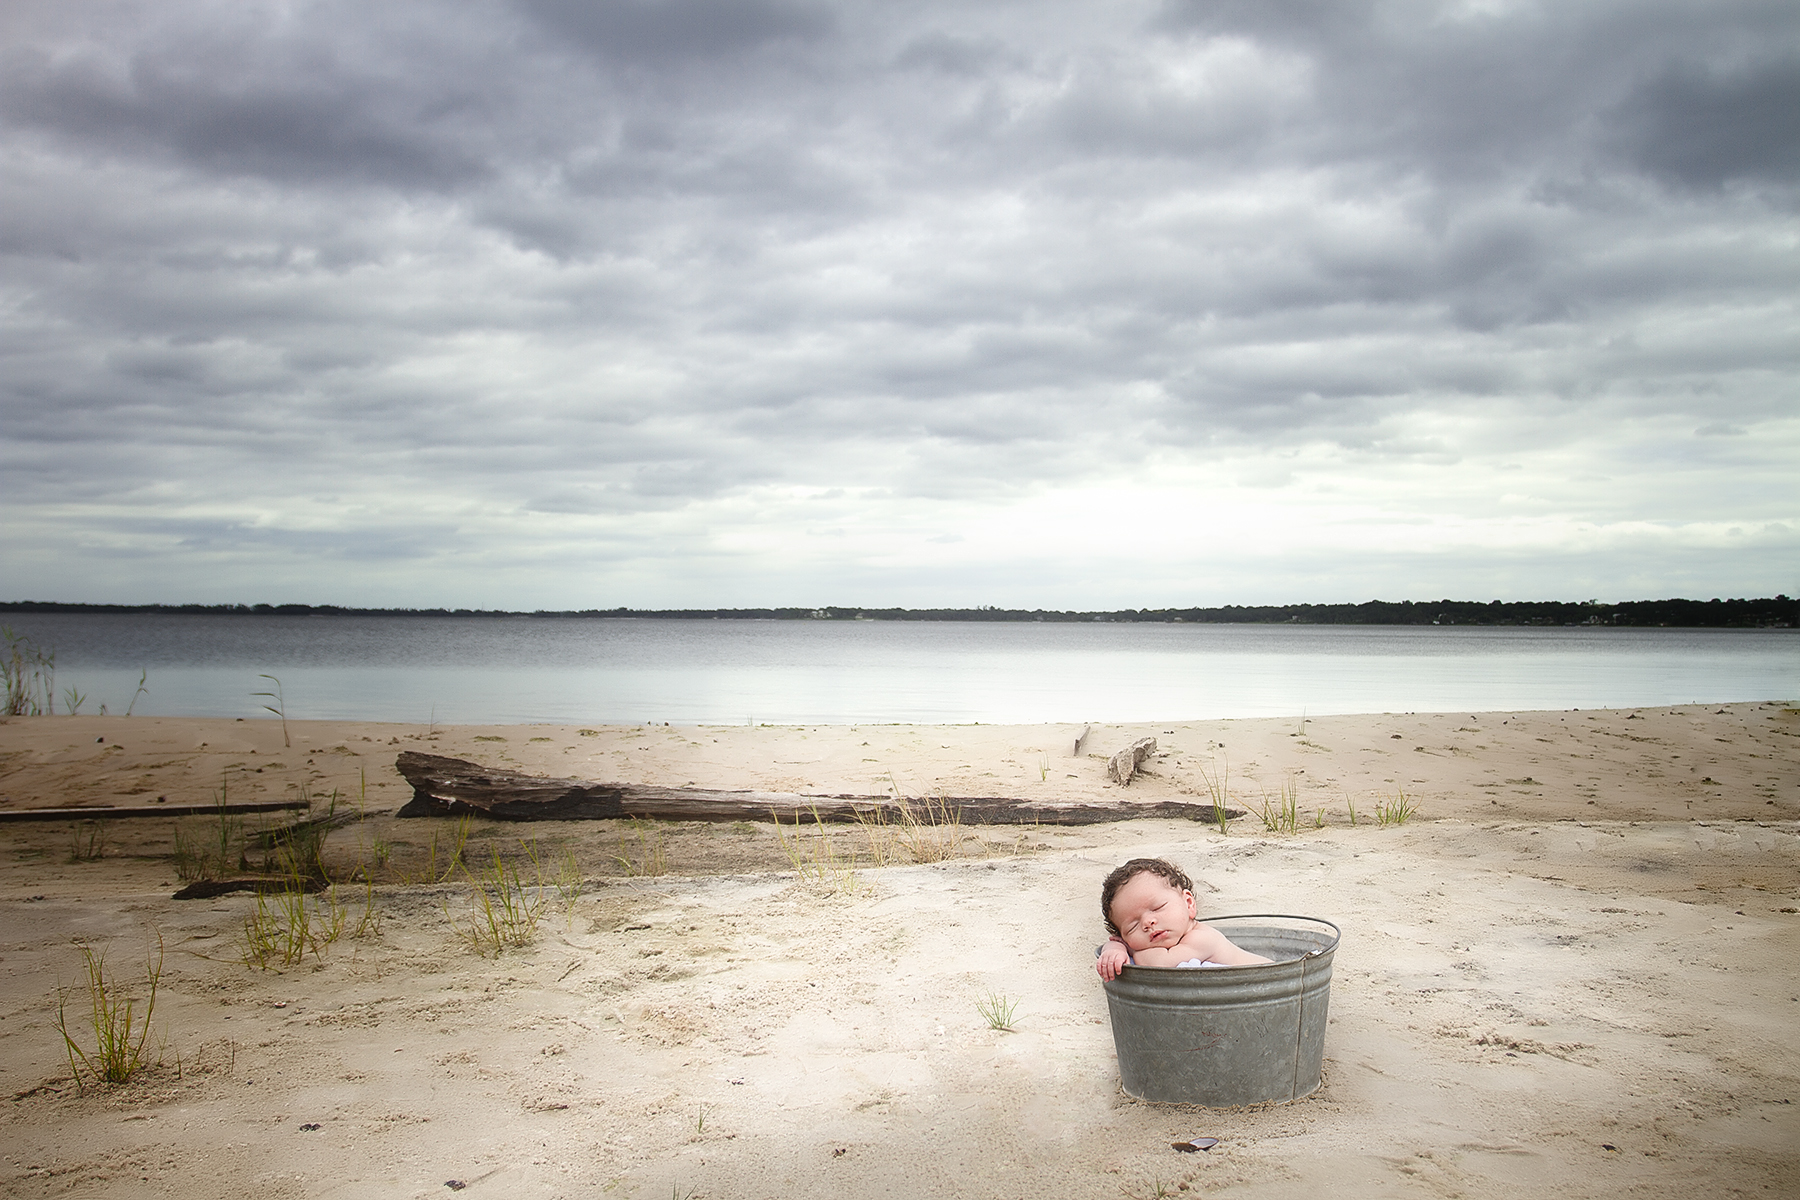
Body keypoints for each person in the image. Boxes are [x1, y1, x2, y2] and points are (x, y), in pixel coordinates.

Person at [1095, 857, 1270, 980]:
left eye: (1157, 908)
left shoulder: (1203, 939)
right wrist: (1114, 947)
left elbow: (1159, 965)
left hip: (1266, 984)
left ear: (1188, 904)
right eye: (1132, 927)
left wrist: (1127, 949)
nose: (1148, 923)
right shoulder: (1165, 944)